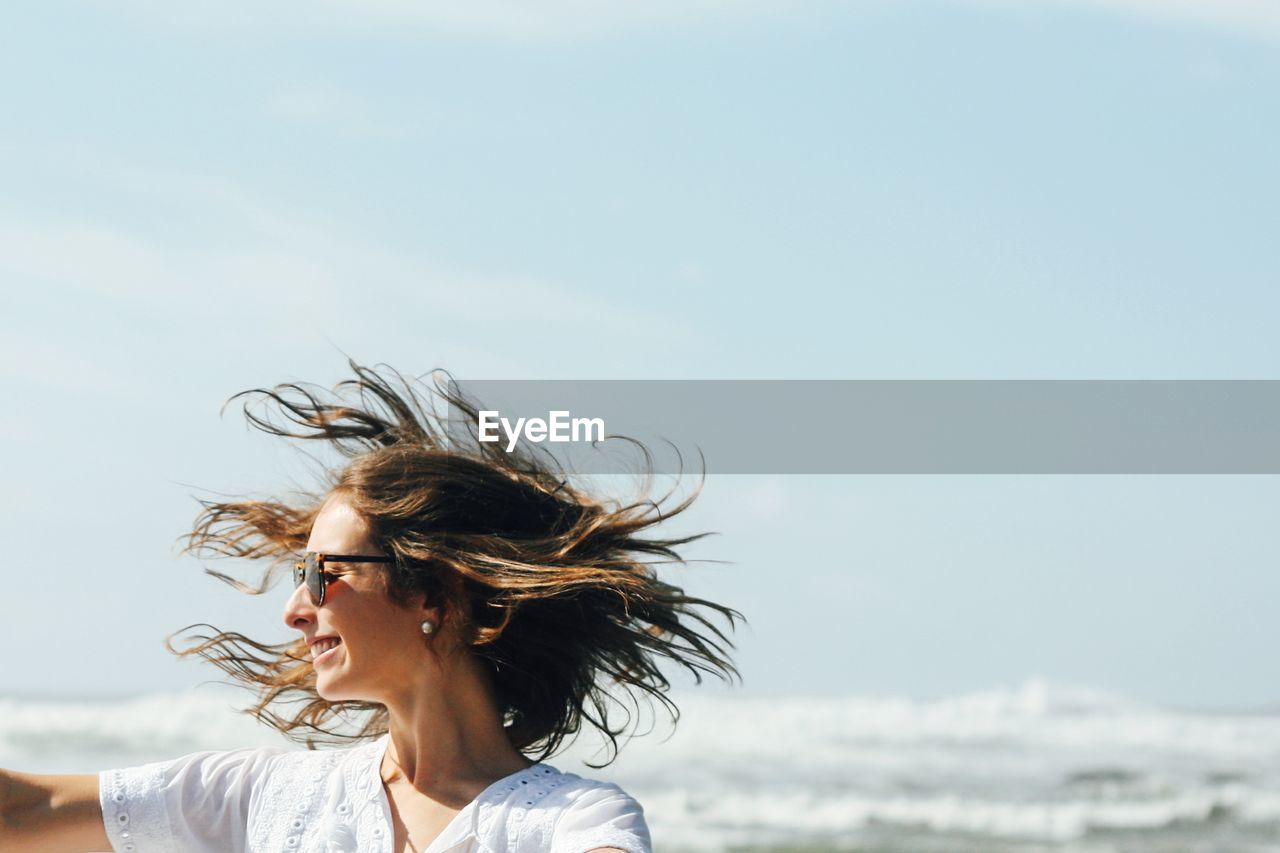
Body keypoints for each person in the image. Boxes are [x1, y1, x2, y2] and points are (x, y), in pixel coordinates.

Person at [0, 363, 741, 852]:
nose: (296, 608)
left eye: (325, 574)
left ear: (435, 592)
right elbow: (21, 810)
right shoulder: (262, 796)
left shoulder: (575, 825)